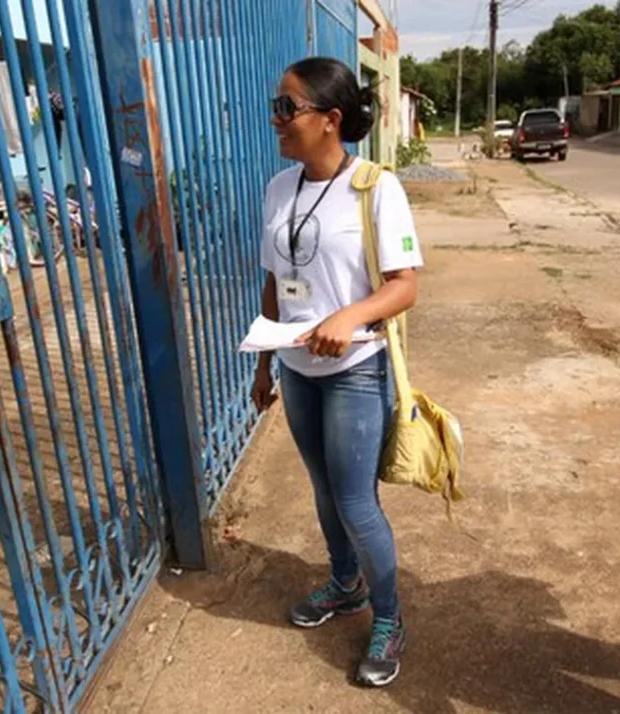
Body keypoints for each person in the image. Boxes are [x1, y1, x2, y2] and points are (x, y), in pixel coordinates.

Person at [249, 57, 422, 688]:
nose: (278, 119)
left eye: (289, 108)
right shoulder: (278, 188)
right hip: (296, 370)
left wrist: (351, 316)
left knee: (355, 500)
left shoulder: (377, 187)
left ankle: (389, 617)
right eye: (278, 106)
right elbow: (275, 281)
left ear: (331, 120)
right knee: (323, 492)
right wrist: (267, 364)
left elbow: (404, 288)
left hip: (355, 369)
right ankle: (345, 585)